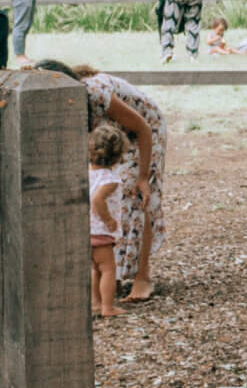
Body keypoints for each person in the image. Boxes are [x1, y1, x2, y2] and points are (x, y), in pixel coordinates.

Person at [35, 61, 166, 301]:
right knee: (104, 188)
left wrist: (144, 177)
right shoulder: (60, 104)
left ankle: (142, 277)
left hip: (145, 128)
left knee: (135, 194)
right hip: (110, 130)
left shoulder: (94, 94)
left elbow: (143, 128)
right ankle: (111, 274)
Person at [89, 121, 125, 318]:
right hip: (101, 231)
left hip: (87, 230)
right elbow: (97, 199)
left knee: (95, 269)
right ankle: (108, 307)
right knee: (108, 269)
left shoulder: (88, 173)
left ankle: (95, 303)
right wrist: (109, 220)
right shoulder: (109, 179)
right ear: (117, 156)